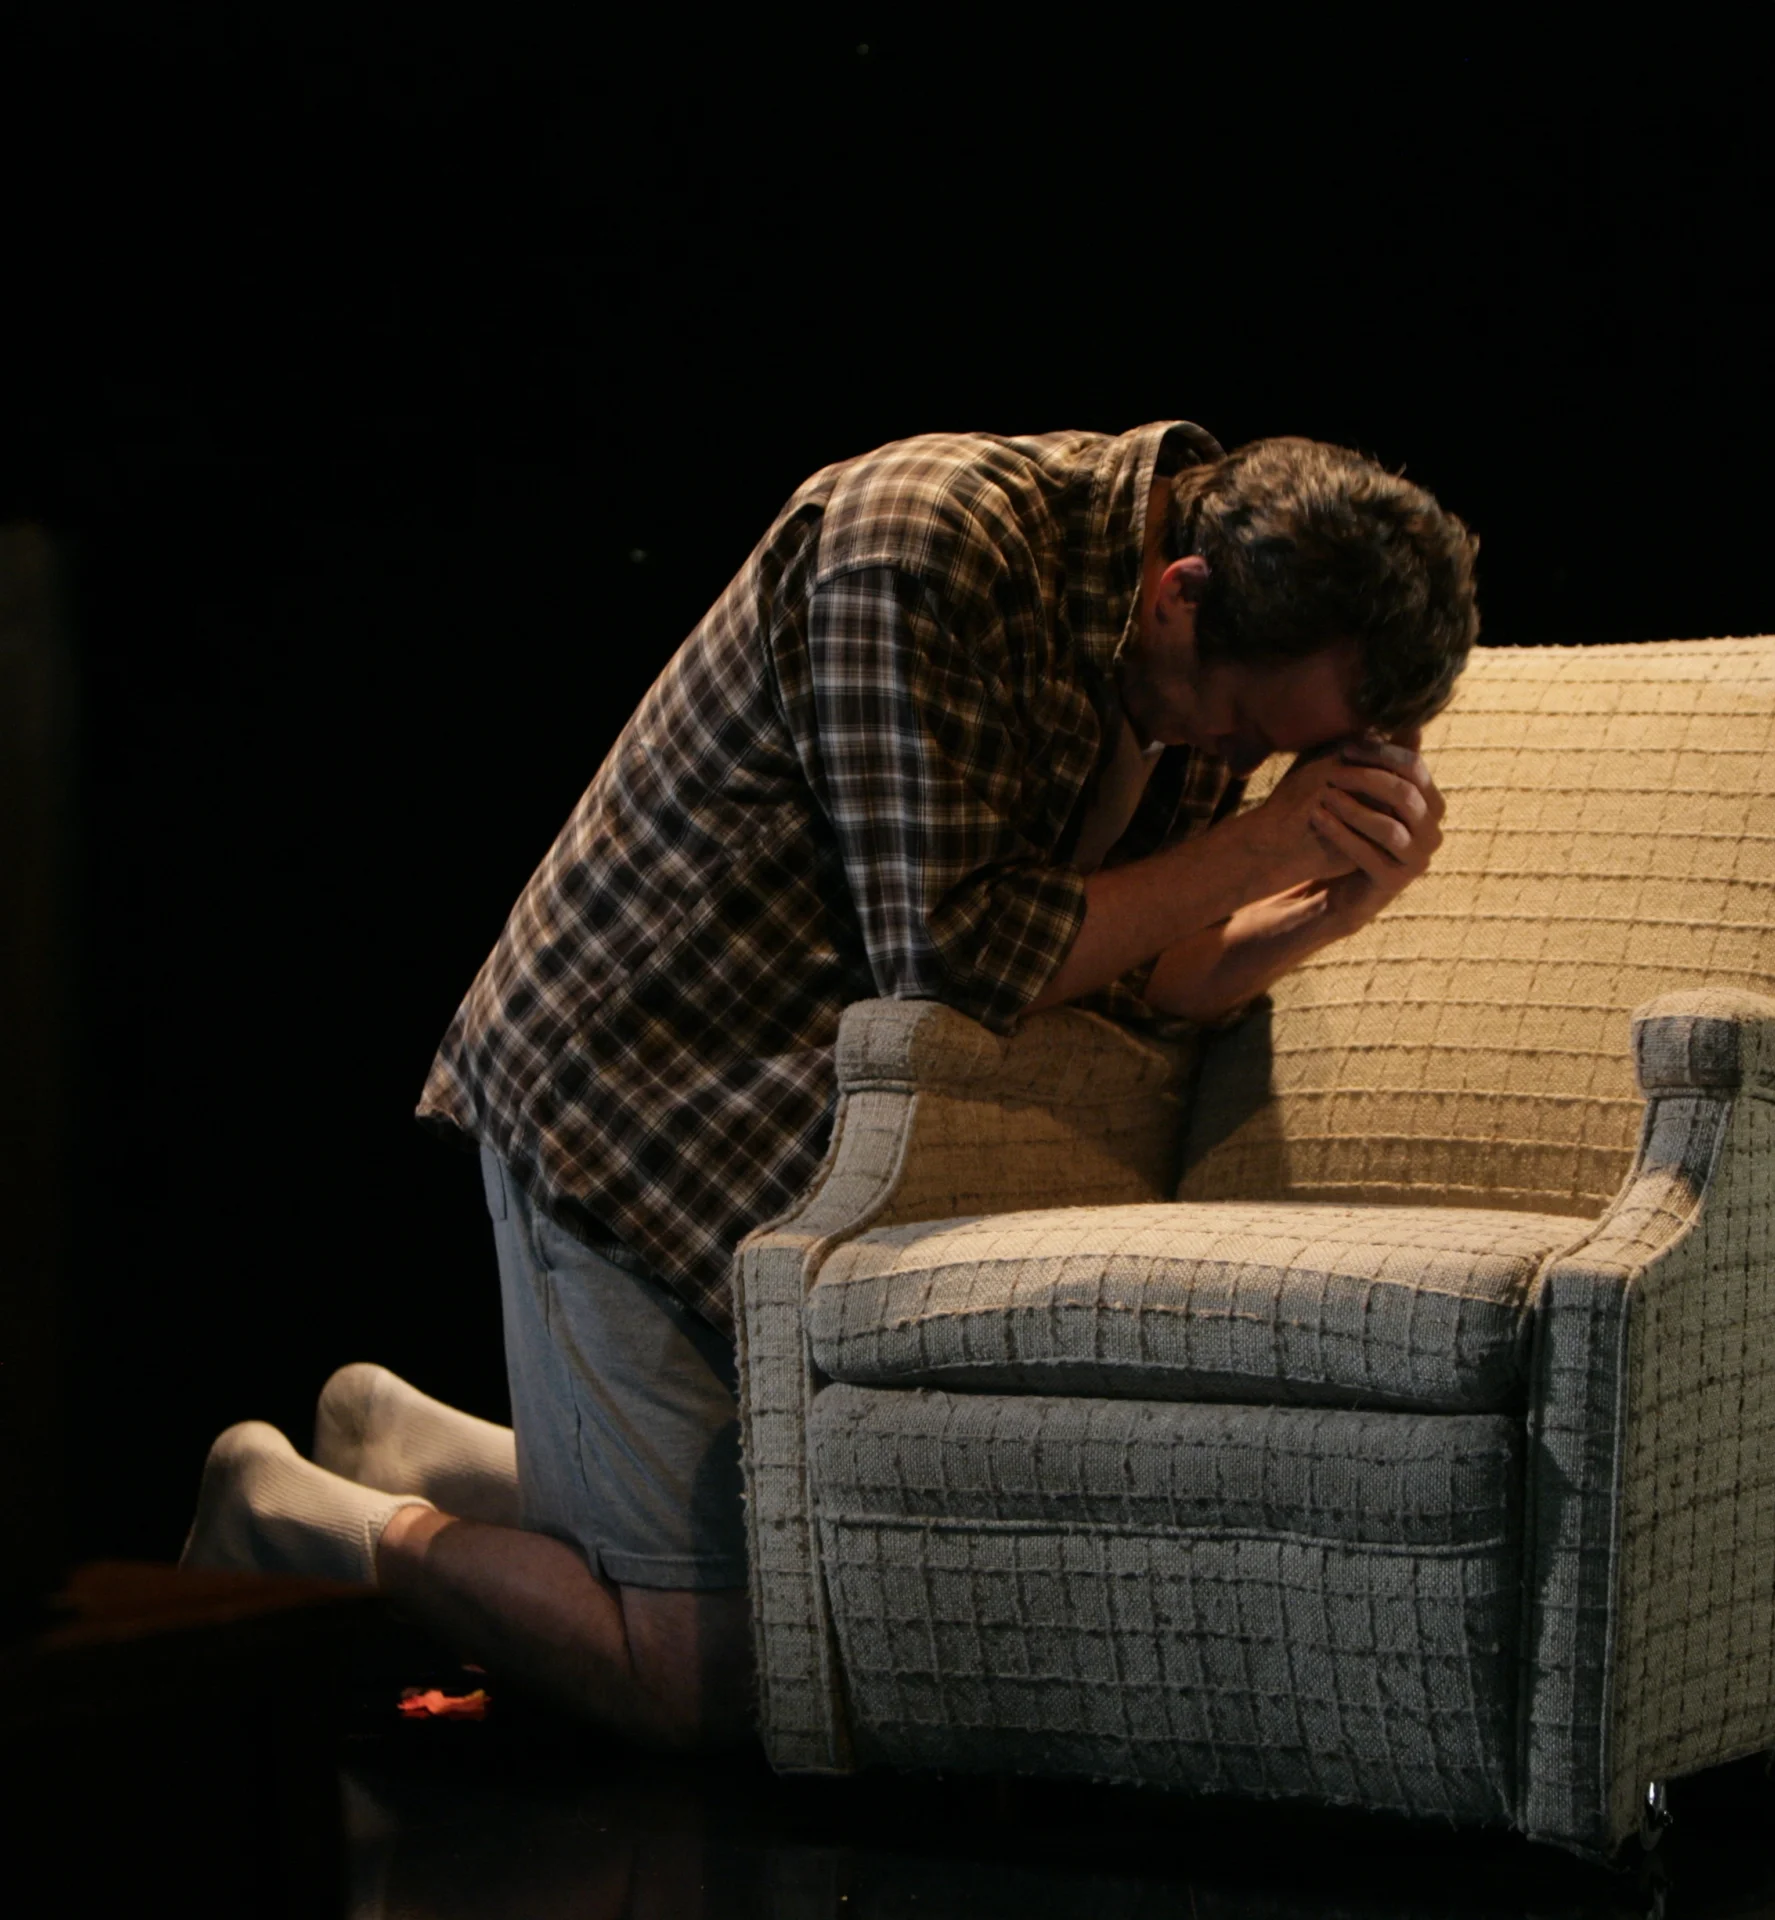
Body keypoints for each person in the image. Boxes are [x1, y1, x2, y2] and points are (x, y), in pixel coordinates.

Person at [182, 421, 1480, 1750]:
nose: (1233, 764)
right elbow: (957, 954)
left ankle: (399, 1452)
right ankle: (287, 1516)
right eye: (1250, 731)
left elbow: (1161, 962)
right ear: (1181, 593)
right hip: (644, 1095)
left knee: (826, 1613)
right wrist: (1264, 838)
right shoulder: (922, 544)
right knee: (720, 1684)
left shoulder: (1191, 654)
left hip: (807, 1144)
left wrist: (1331, 897)